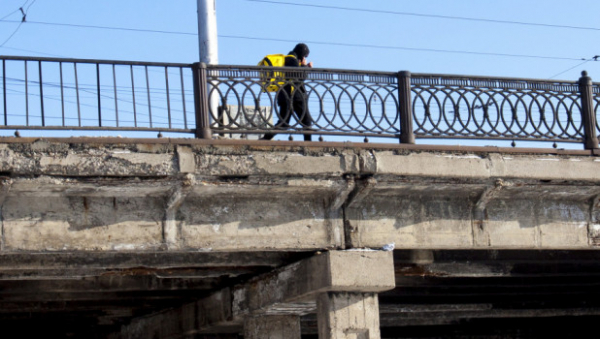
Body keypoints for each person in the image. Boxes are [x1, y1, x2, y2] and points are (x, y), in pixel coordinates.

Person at [261, 43, 314, 141]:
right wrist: (306, 68)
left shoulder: (290, 59)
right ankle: (308, 146)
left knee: (284, 124)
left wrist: (303, 67)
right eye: (305, 56)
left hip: (286, 96)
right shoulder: (291, 59)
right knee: (306, 122)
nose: (304, 58)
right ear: (301, 53)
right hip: (294, 97)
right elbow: (298, 77)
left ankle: (265, 139)